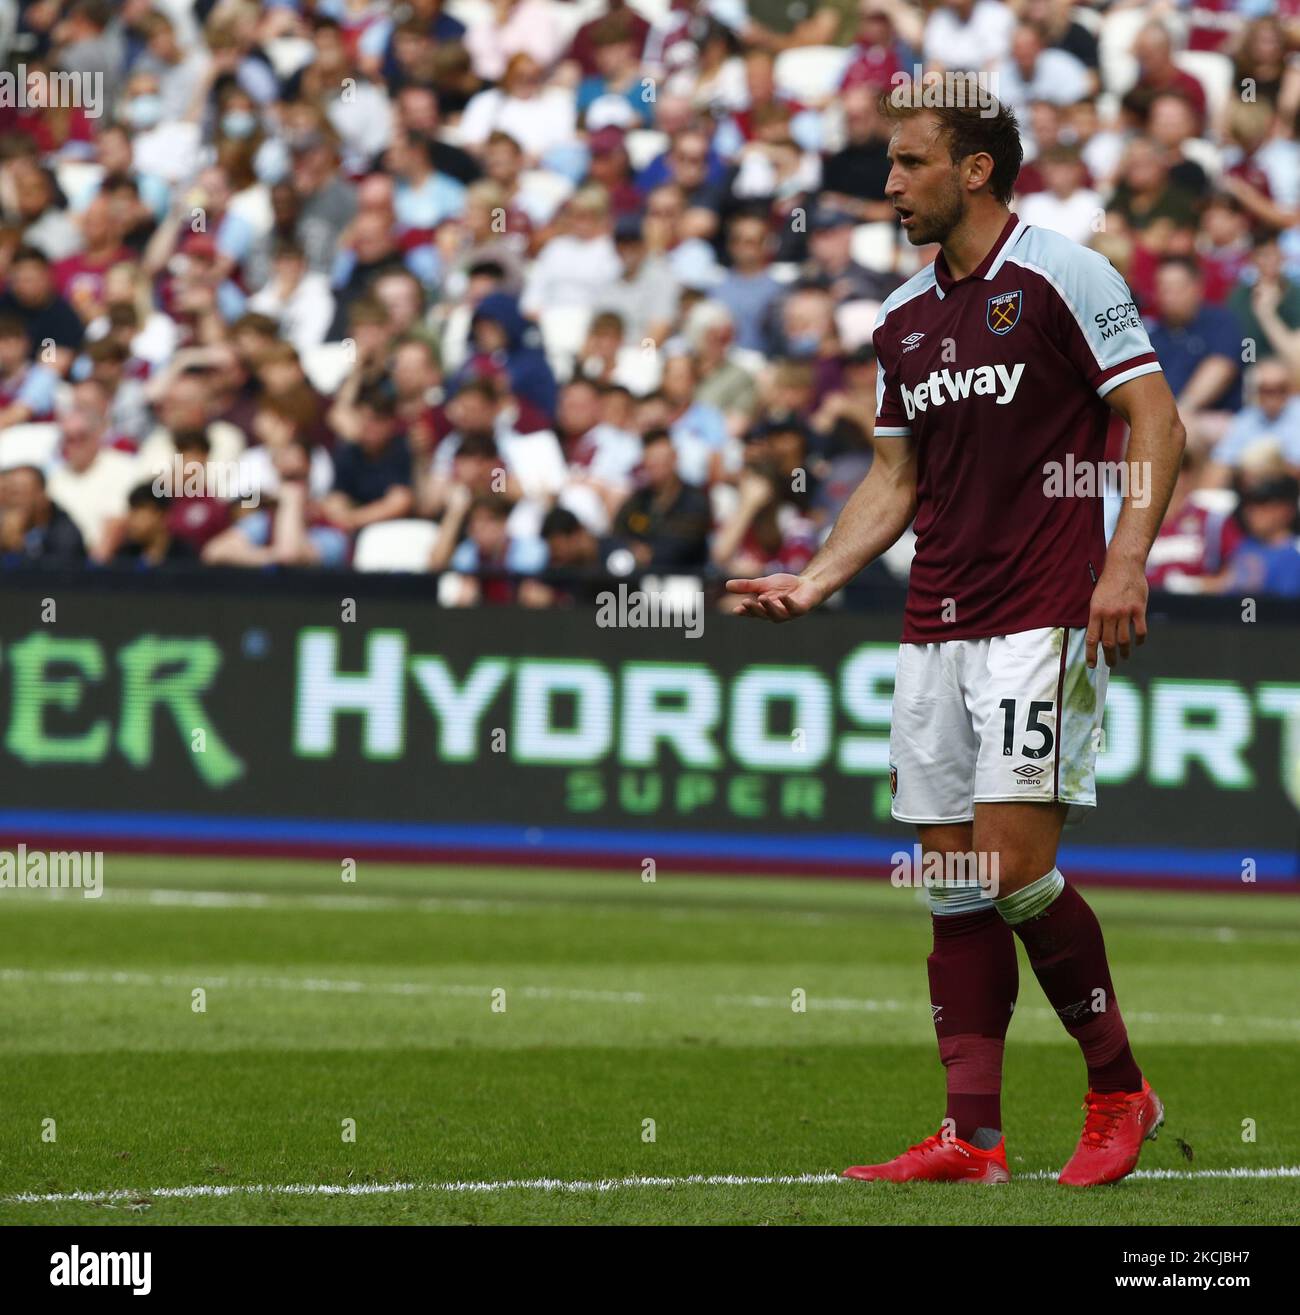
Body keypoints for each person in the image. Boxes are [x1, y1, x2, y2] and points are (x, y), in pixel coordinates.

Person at [728, 89, 1185, 1188]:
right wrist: (821, 575)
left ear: (974, 170)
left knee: (1016, 870)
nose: (887, 186)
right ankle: (971, 1139)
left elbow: (1155, 419)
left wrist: (1124, 561)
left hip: (1042, 610)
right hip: (934, 620)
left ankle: (1120, 1087)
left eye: (906, 163)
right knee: (951, 881)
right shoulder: (898, 318)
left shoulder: (1063, 273)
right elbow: (895, 476)